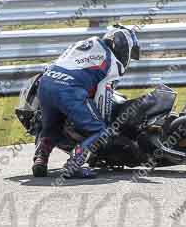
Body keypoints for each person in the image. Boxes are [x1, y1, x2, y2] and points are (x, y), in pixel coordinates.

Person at [32, 25, 140, 179]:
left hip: (46, 84)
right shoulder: (111, 61)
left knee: (52, 128)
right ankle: (73, 165)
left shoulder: (86, 44)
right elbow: (103, 99)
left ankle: (40, 160)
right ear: (123, 48)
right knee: (100, 131)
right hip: (68, 90)